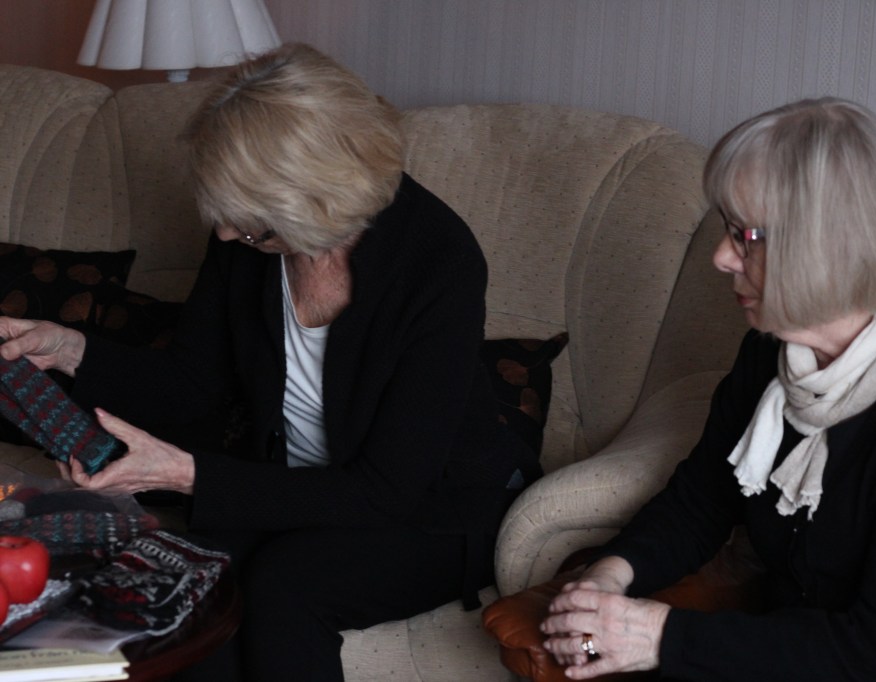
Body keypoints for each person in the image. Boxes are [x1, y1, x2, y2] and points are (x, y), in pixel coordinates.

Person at [0, 43, 534, 680]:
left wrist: (187, 475)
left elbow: (387, 490)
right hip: (294, 489)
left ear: (314, 197)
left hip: (431, 510)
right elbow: (190, 383)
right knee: (190, 587)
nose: (228, 235)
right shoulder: (247, 233)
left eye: (251, 224)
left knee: (287, 589)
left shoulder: (438, 262)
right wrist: (70, 349)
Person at [539, 97, 876, 681]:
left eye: (746, 235)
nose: (722, 257)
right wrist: (609, 577)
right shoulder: (773, 352)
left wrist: (659, 637)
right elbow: (702, 499)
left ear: (834, 244)